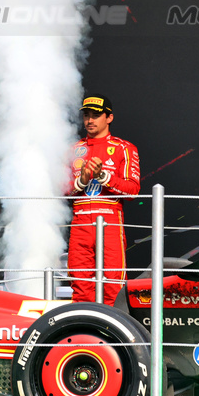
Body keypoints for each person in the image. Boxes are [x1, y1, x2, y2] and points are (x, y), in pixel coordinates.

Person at [66, 94, 139, 304]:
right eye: (86, 115)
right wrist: (82, 180)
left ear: (109, 118)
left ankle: (114, 337)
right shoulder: (73, 150)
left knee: (114, 286)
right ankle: (82, 336)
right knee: (80, 286)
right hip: (79, 222)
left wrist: (103, 177)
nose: (90, 120)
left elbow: (133, 190)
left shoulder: (124, 148)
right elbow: (62, 191)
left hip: (109, 222)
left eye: (96, 115)